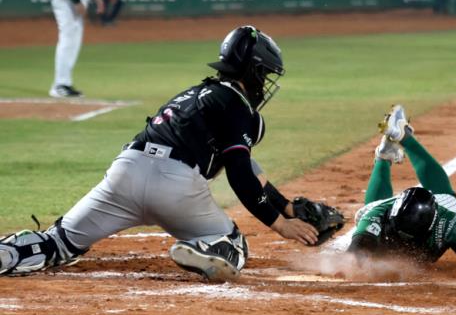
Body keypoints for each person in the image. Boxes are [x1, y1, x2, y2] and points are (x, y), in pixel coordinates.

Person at [0, 26, 327, 282]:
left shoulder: (192, 94)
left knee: (58, 242)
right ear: (254, 72)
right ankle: (206, 247)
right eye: (265, 74)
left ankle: (11, 252)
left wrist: (285, 206)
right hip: (176, 188)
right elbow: (240, 172)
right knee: (233, 244)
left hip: (125, 173)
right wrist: (280, 224)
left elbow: (247, 166)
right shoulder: (237, 105)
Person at [346, 105, 456, 280]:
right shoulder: (376, 214)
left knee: (450, 201)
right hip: (383, 231)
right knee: (370, 213)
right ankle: (396, 145)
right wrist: (350, 264)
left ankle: (388, 152)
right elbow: (357, 249)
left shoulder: (448, 220)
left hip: (434, 218)